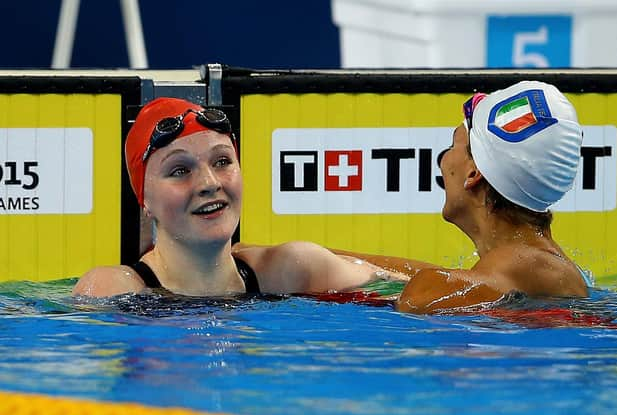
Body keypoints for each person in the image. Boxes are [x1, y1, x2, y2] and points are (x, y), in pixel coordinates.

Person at [72, 97, 412, 298]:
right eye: (180, 171)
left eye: (222, 162)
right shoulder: (114, 288)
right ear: (143, 200)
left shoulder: (290, 270)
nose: (208, 183)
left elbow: (414, 290)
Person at [394, 80, 590, 314]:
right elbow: (445, 278)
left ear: (473, 173)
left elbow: (421, 296)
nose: (444, 161)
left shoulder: (524, 265)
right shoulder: (532, 263)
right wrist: (342, 261)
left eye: (452, 146)